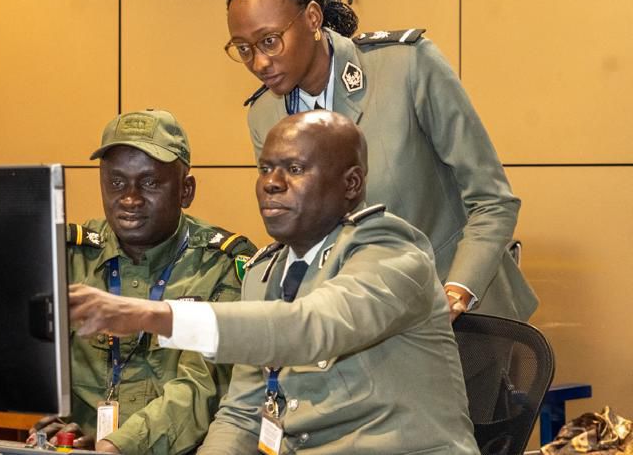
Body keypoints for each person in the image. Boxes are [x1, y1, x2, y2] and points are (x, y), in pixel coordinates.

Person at [69, 111, 480, 454]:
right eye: (265, 169)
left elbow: (313, 325)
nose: (272, 182)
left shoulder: (391, 251)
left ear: (351, 184)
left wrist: (153, 315)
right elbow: (242, 414)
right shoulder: (265, 272)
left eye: (295, 169)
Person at [223, 0, 536, 322]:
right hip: (361, 324)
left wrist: (455, 293)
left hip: (466, 317)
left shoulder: (407, 67)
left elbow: (493, 202)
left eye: (270, 41)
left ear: (312, 18)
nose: (259, 63)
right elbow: (301, 232)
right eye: (244, 49)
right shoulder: (265, 115)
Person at [31, 109, 257, 454]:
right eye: (116, 183)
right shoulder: (67, 256)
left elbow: (203, 383)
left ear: (186, 190)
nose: (130, 199)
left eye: (150, 183)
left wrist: (116, 446)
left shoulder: (222, 265)